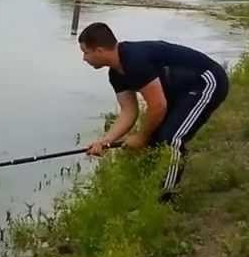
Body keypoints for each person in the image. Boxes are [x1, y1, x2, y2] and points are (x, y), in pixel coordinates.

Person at [78, 22, 229, 201]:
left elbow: (158, 106)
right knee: (155, 137)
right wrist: (105, 141)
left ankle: (164, 200)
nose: (84, 59)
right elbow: (129, 111)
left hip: (207, 81)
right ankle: (152, 186)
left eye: (86, 52)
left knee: (171, 139)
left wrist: (141, 137)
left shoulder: (134, 60)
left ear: (100, 51)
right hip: (180, 91)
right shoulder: (116, 74)